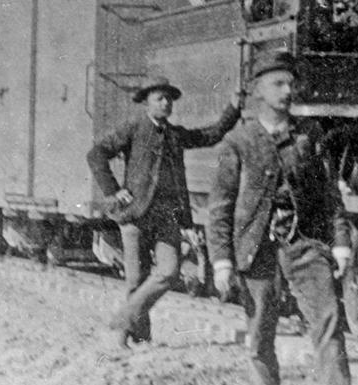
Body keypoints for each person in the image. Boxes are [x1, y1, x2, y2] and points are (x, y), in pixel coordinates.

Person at [206, 50, 358, 385]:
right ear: (259, 90)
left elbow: (330, 196)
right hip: (255, 249)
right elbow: (220, 206)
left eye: (290, 83)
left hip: (304, 244)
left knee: (328, 321)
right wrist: (222, 262)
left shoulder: (308, 138)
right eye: (278, 83)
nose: (287, 90)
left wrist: (342, 243)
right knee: (260, 334)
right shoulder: (238, 141)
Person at [87, 77, 242, 350]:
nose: (166, 103)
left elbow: (211, 134)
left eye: (169, 99)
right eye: (160, 98)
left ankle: (122, 321)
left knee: (169, 273)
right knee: (136, 280)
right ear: (147, 102)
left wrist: (233, 108)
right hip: (134, 216)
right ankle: (136, 339)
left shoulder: (174, 135)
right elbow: (96, 154)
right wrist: (112, 190)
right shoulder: (133, 128)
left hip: (166, 218)